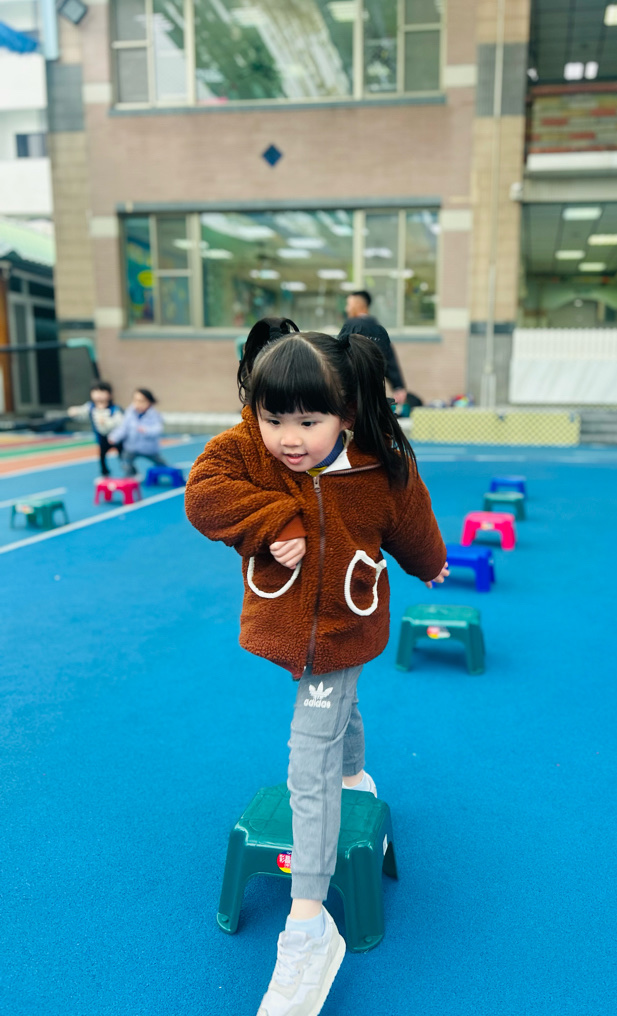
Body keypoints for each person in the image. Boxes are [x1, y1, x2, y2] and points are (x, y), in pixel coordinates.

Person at [185, 322, 448, 1016]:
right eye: (274, 419)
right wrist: (274, 519)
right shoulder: (249, 447)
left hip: (344, 622)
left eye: (308, 422)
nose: (289, 438)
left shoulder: (379, 463)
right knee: (334, 709)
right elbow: (203, 493)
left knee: (309, 755)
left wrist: (429, 562)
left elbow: (411, 519)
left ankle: (308, 924)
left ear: (346, 412)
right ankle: (358, 777)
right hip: (288, 623)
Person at [342, 290, 407, 406]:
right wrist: (398, 386)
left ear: (358, 305)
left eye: (349, 305)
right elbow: (389, 358)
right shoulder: (378, 328)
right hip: (375, 393)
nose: (347, 309)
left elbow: (338, 353)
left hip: (352, 390)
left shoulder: (351, 325)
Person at [67, 380, 124, 477]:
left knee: (122, 455)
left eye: (102, 392)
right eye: (96, 391)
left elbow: (120, 422)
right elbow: (81, 412)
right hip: (102, 438)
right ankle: (105, 473)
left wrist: (107, 423)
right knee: (102, 456)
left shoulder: (114, 409)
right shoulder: (90, 407)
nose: (99, 395)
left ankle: (129, 471)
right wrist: (74, 411)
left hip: (116, 438)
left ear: (109, 394)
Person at [108, 388, 167, 476]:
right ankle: (131, 475)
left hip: (148, 448)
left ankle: (171, 472)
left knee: (160, 463)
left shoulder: (154, 415)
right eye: (136, 400)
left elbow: (158, 429)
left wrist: (146, 430)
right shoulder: (130, 413)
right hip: (131, 447)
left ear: (149, 402)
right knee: (125, 462)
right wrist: (114, 436)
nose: (138, 404)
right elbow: (123, 427)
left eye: (142, 401)